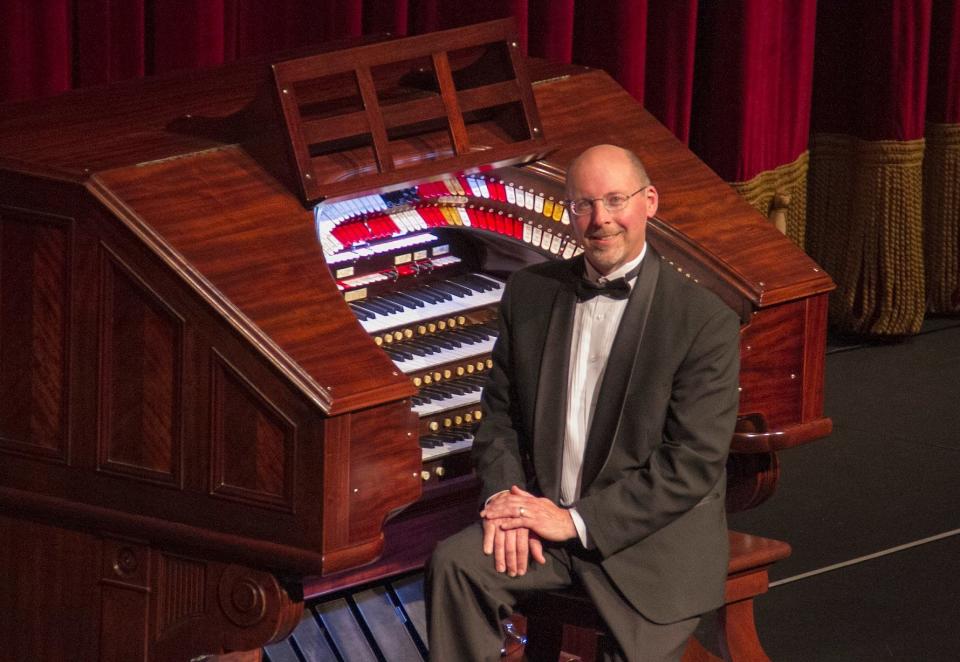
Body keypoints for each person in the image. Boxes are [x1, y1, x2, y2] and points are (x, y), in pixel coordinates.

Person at [426, 144, 740, 661]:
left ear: (650, 202)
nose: (601, 220)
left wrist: (574, 522)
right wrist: (510, 507)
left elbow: (692, 463)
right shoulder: (530, 293)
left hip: (646, 542)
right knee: (455, 565)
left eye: (616, 200)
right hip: (541, 528)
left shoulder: (702, 320)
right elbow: (500, 418)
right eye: (584, 205)